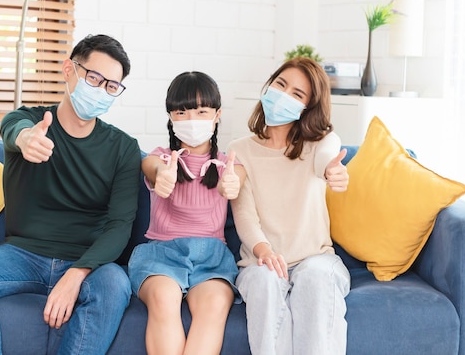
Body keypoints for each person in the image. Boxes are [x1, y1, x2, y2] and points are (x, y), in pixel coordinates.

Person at [0, 34, 141, 355]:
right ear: (69, 70)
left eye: (111, 86)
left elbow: (120, 225)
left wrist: (77, 274)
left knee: (115, 285)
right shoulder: (29, 121)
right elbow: (14, 130)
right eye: (94, 78)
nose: (101, 89)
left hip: (86, 260)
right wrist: (26, 140)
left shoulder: (123, 148)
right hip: (22, 254)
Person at [226, 57, 351, 355]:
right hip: (260, 260)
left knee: (315, 278)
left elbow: (327, 162)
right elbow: (244, 214)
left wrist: (334, 173)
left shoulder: (322, 143)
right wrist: (264, 251)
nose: (283, 95)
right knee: (263, 282)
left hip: (315, 258)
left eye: (297, 94)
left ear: (308, 107)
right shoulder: (239, 150)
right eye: (280, 85)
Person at [128, 71, 246, 355]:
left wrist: (232, 183)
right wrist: (162, 178)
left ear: (217, 115)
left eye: (202, 111)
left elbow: (237, 178)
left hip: (212, 259)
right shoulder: (159, 158)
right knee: (163, 296)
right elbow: (152, 168)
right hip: (162, 255)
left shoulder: (228, 164)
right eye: (182, 112)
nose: (192, 119)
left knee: (214, 306)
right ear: (170, 117)